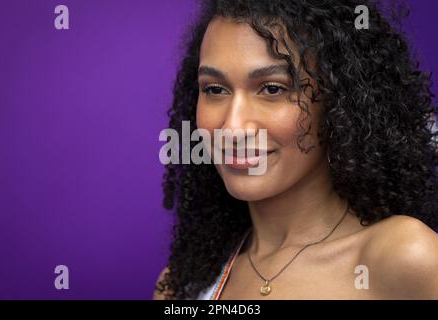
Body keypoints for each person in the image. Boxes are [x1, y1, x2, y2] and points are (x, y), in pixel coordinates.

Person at [155, 0, 438, 300]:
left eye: (273, 88)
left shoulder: (404, 258)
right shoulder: (180, 286)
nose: (233, 127)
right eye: (214, 89)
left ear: (339, 102)